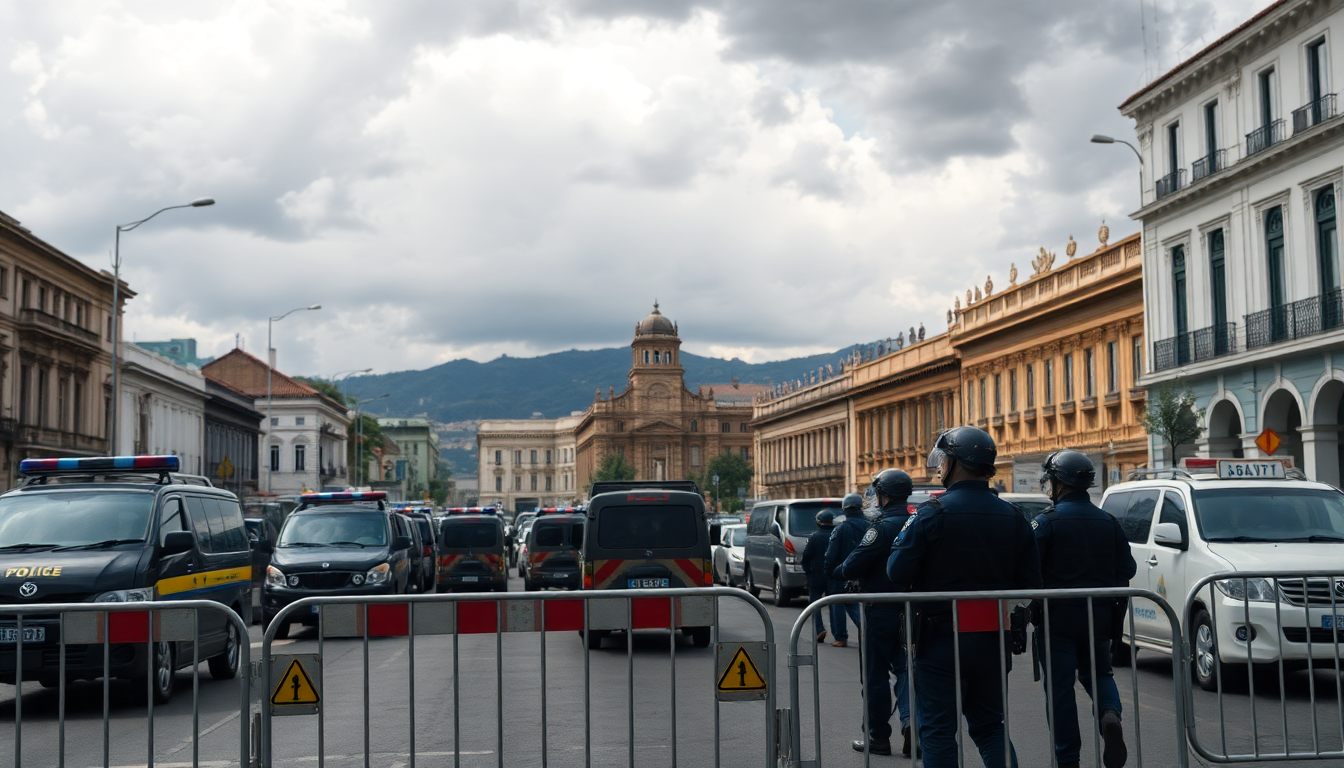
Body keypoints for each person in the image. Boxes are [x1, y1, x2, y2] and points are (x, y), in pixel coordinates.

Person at [887, 426, 1041, 768]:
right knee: (990, 727)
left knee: (939, 731)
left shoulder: (931, 512)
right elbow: (1031, 581)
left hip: (940, 636)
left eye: (944, 460)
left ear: (955, 464)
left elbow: (896, 570)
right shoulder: (1014, 516)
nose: (940, 466)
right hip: (992, 634)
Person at [1033, 450, 1136, 768]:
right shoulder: (1109, 522)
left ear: (1058, 484)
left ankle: (1068, 759)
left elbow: (1027, 571)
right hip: (1099, 617)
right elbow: (1127, 568)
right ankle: (1109, 714)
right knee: (1100, 673)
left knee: (1060, 689)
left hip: (1056, 619)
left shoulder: (1045, 523)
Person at [836, 470, 915, 757]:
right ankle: (912, 725)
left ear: (883, 495)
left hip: (880, 611)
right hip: (913, 610)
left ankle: (878, 737)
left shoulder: (880, 528)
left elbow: (851, 565)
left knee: (875, 676)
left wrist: (844, 570)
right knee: (907, 670)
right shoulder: (919, 521)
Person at [824, 493, 867, 647]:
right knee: (853, 604)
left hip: (841, 572)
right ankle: (867, 630)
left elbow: (830, 554)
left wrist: (829, 571)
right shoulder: (871, 526)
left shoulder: (840, 529)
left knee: (839, 604)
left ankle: (841, 637)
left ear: (845, 510)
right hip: (863, 573)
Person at [800, 509, 836, 643]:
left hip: (816, 575)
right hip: (833, 575)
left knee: (815, 604)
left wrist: (808, 572)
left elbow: (806, 557)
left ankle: (820, 629)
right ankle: (838, 634)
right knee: (834, 604)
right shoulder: (836, 534)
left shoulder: (815, 537)